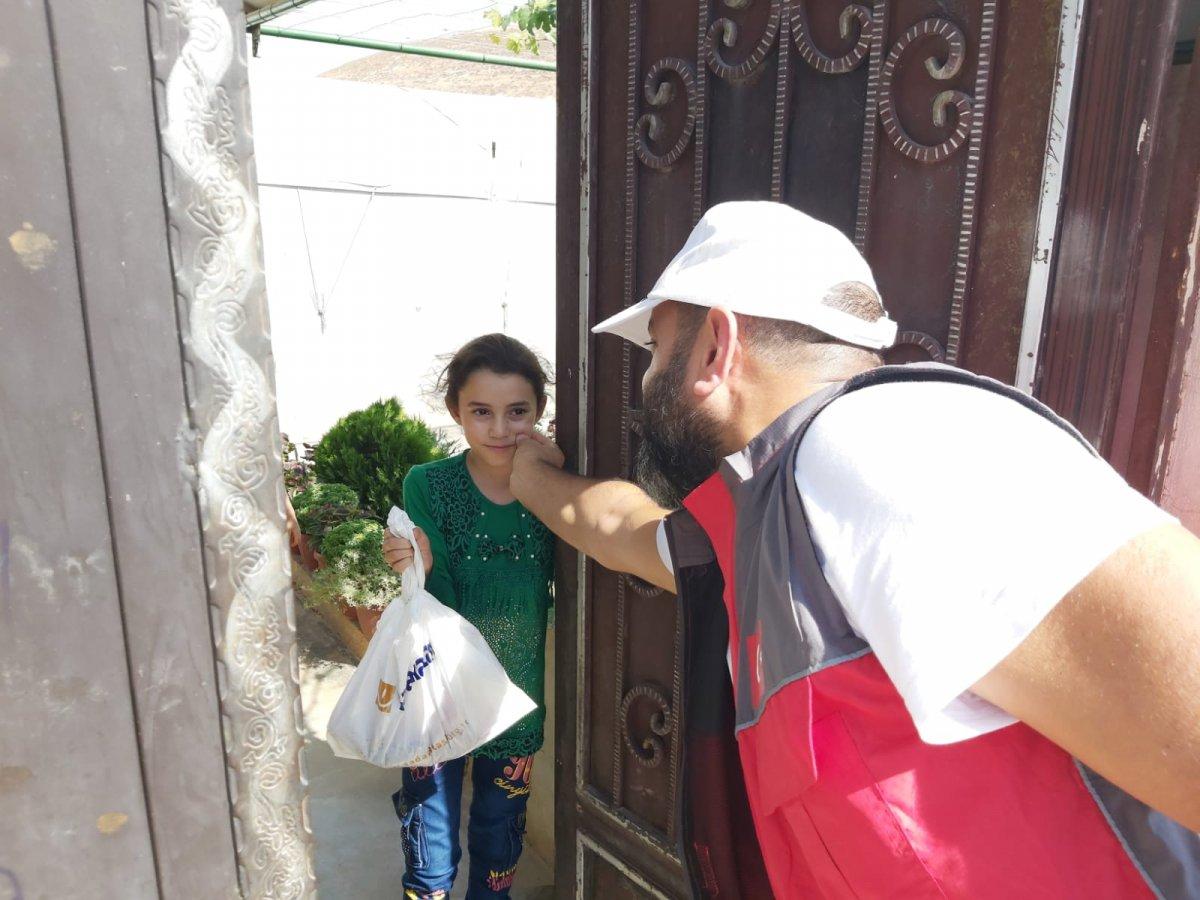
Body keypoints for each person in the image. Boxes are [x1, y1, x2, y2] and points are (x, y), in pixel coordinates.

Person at [508, 201, 1200, 898]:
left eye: (656, 351)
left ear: (715, 347)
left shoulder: (880, 450)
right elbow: (619, 528)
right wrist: (526, 472)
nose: (647, 383)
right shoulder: (769, 514)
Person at [381, 334, 555, 900]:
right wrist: (419, 563)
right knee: (429, 856)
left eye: (517, 412)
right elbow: (434, 598)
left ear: (539, 413)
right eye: (481, 412)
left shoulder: (555, 486)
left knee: (499, 849)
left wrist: (551, 465)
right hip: (434, 698)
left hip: (513, 702)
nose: (500, 429)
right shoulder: (427, 484)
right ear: (457, 411)